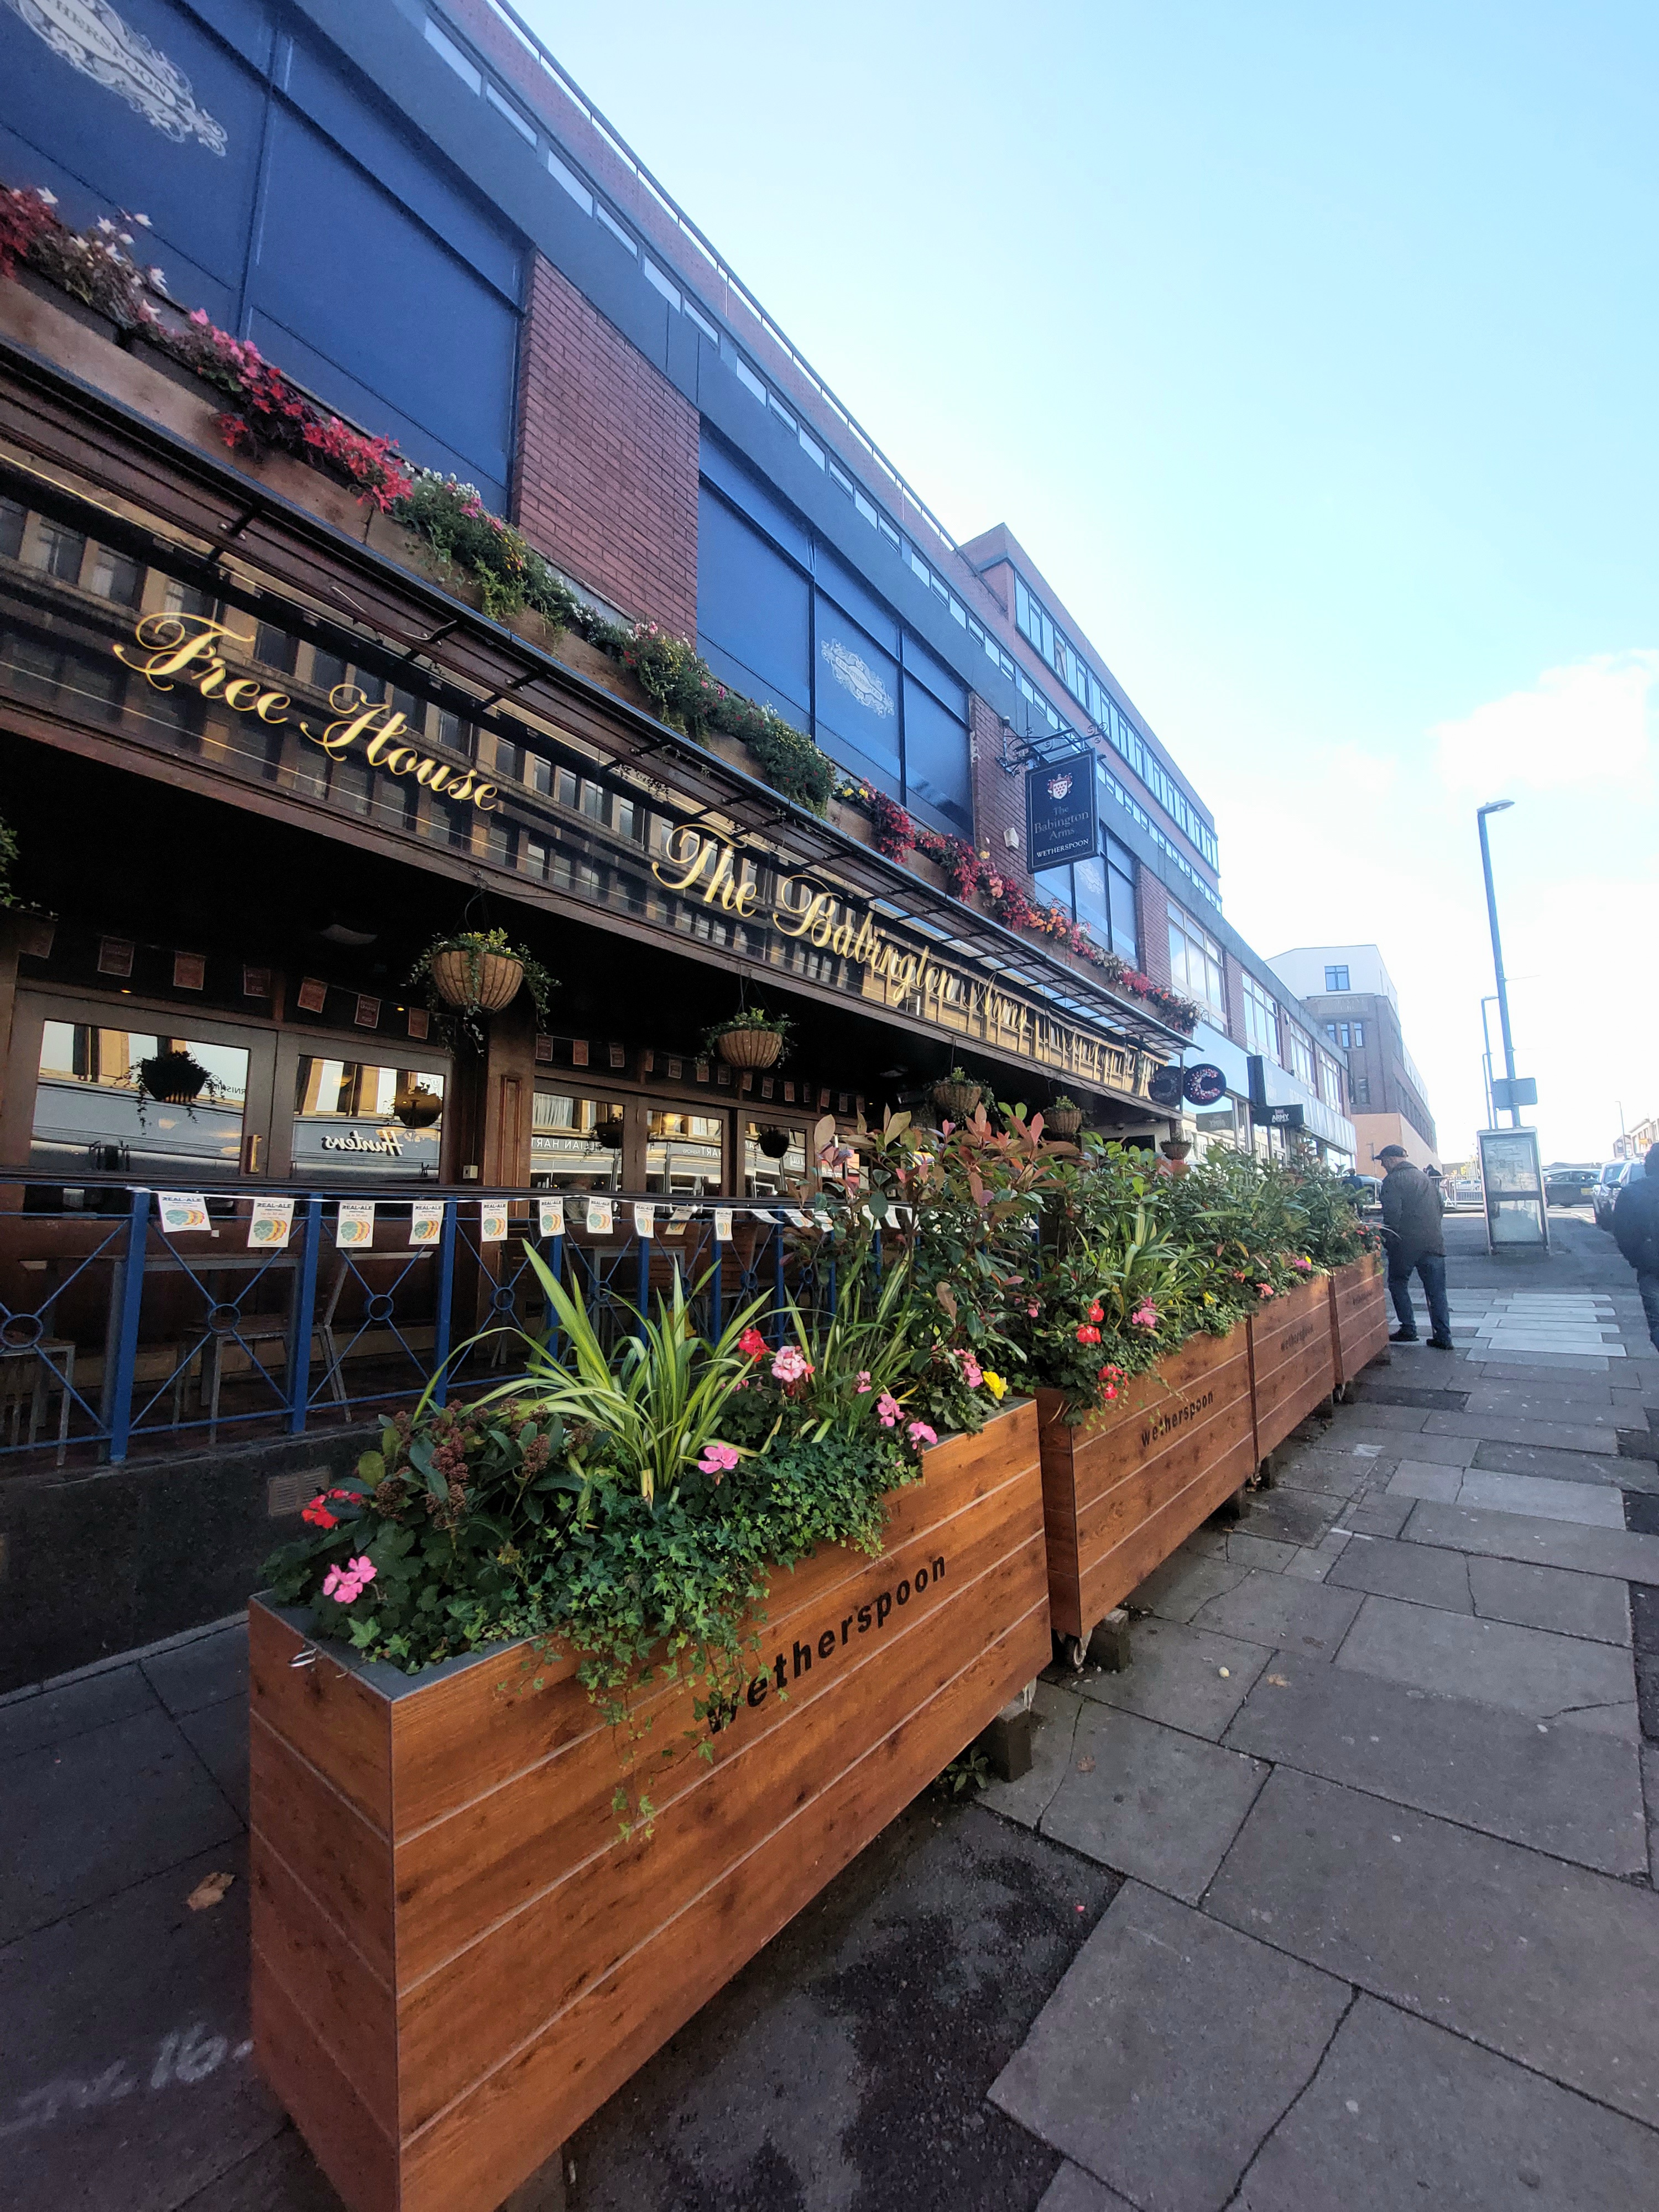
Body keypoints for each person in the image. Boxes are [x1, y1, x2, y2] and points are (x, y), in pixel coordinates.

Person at [1378, 1143, 1454, 1348]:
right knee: (1436, 1291)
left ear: (1391, 1159)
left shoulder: (1392, 1181)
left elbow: (1392, 1216)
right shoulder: (1425, 1178)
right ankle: (1443, 1336)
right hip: (1433, 1242)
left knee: (1398, 1283)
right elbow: (1440, 1207)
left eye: (1383, 1161)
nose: (1383, 1165)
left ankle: (1408, 1329)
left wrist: (1388, 1239)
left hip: (1405, 1244)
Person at [1612, 1145, 1659, 1352]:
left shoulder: (1632, 1192)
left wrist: (1640, 1260)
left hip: (1652, 1268)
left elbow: (1623, 1234)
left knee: (1657, 1323)